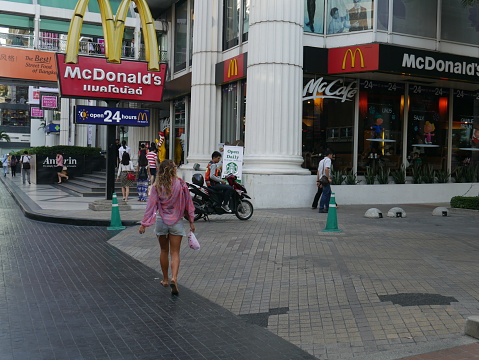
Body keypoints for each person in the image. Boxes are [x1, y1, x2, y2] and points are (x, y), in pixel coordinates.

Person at [138, 160, 195, 296]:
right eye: (175, 166)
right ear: (172, 169)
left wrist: (144, 224)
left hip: (161, 221)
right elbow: (188, 203)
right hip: (176, 222)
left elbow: (151, 206)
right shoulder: (181, 184)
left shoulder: (157, 185)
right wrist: (191, 221)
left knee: (164, 250)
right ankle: (174, 278)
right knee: (175, 253)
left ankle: (165, 279)